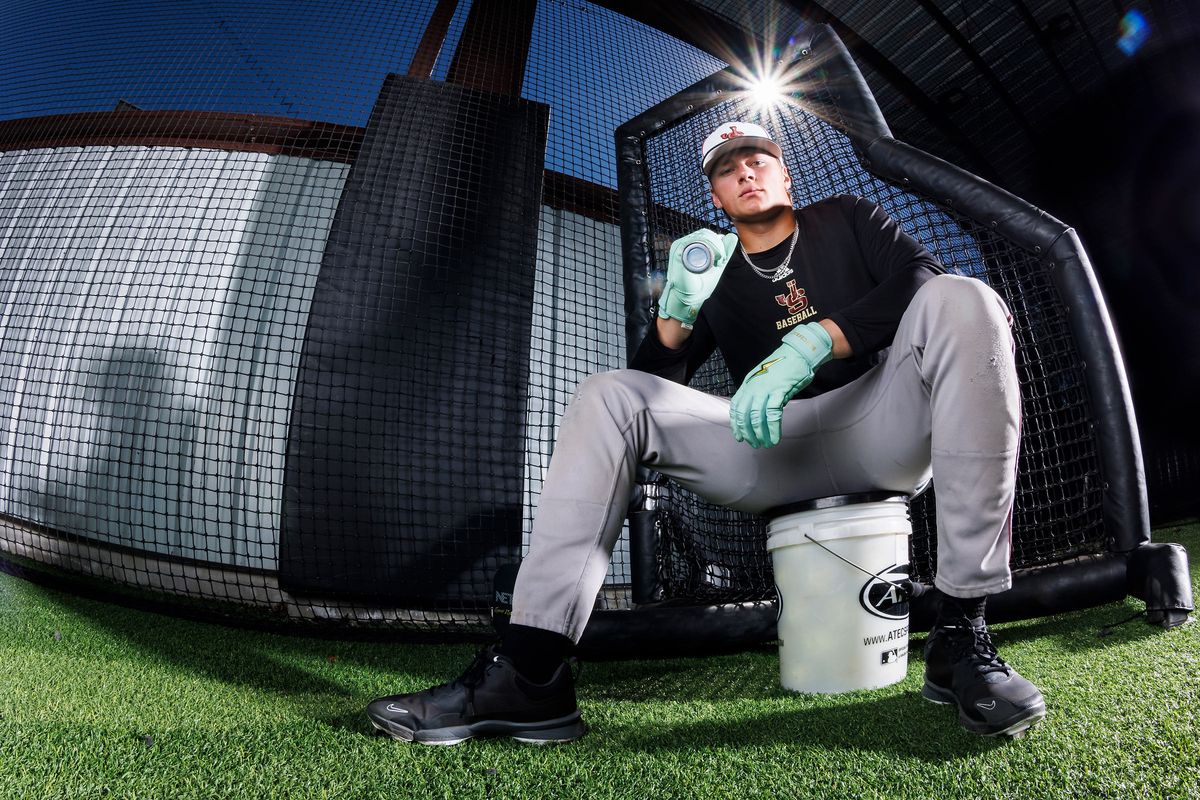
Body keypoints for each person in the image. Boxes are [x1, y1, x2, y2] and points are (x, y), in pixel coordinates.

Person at [366, 121, 1046, 744]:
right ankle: (531, 671)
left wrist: (819, 340)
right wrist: (676, 311)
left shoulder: (845, 217)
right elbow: (649, 387)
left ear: (785, 178)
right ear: (717, 195)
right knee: (609, 396)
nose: (746, 172)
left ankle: (961, 629)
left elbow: (918, 278)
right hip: (771, 448)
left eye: (758, 160)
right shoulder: (711, 265)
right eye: (728, 169)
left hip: (875, 425)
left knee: (965, 299)